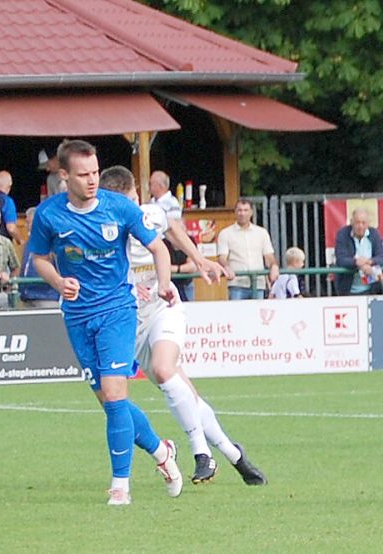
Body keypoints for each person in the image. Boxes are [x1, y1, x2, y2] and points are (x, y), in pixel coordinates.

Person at [25, 139, 182, 505]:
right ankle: (162, 452)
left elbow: (160, 248)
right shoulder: (49, 215)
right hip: (77, 317)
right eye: (83, 174)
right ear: (64, 176)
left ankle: (120, 486)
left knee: (115, 396)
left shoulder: (119, 208)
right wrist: (58, 281)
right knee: (111, 403)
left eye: (95, 171)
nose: (92, 179)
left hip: (116, 312)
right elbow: (40, 259)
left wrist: (163, 284)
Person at [99, 166, 267, 486]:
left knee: (165, 369)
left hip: (165, 309)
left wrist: (200, 259)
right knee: (184, 391)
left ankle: (201, 453)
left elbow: (173, 229)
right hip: (130, 324)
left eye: (132, 201)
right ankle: (233, 453)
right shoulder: (103, 235)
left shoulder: (149, 216)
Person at [217, 199, 279, 299]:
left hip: (258, 283)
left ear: (251, 212)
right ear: (235, 212)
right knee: (237, 314)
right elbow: (222, 257)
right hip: (237, 283)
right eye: (240, 210)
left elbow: (269, 256)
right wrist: (227, 267)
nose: (242, 213)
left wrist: (274, 266)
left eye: (246, 210)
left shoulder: (262, 232)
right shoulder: (225, 233)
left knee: (257, 313)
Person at [149, 171, 193, 301]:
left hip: (167, 245)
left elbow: (173, 228)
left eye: (151, 184)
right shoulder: (151, 202)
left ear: (160, 186)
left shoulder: (172, 202)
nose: (149, 187)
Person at [334, 208, 383, 295]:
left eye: (363, 223)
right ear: (351, 222)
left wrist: (369, 262)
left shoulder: (374, 234)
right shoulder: (342, 234)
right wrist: (357, 262)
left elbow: (381, 257)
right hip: (347, 290)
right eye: (357, 222)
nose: (360, 226)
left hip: (372, 289)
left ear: (368, 224)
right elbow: (341, 259)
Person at [18, 207, 61, 309]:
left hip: (47, 299)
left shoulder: (53, 244)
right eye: (27, 222)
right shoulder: (28, 244)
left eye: (31, 222)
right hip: (27, 298)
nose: (28, 226)